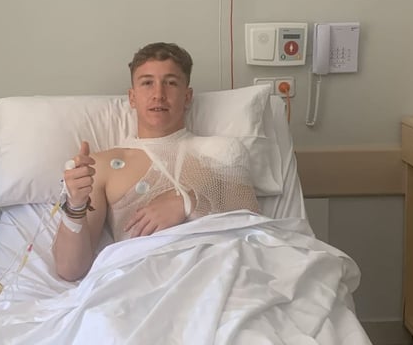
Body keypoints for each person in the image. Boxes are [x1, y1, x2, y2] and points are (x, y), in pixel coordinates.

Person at [53, 42, 259, 281]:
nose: (158, 94)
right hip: (144, 282)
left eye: (170, 83)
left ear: (187, 96)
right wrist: (75, 207)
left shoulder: (221, 151)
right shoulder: (100, 166)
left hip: (221, 273)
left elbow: (254, 225)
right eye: (147, 83)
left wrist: (187, 202)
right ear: (132, 97)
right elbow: (70, 270)